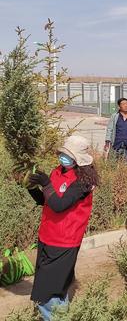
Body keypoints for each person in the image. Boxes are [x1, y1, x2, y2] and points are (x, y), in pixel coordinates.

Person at [27, 135, 99, 321]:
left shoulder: (84, 181)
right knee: (57, 287)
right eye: (62, 153)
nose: (62, 157)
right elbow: (47, 201)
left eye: (67, 155)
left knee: (46, 291)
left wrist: (46, 184)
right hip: (47, 235)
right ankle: (63, 315)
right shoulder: (57, 171)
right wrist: (32, 187)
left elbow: (60, 205)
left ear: (78, 159)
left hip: (64, 240)